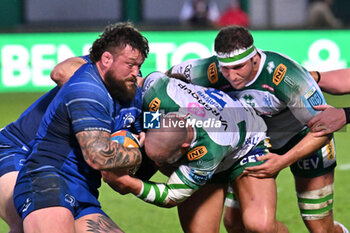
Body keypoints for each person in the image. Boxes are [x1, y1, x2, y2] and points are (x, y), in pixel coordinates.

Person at [168, 25, 347, 233]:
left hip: (305, 139)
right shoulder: (210, 70)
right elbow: (165, 81)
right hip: (256, 145)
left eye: (239, 67)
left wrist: (282, 161)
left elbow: (324, 128)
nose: (231, 76)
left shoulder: (288, 77)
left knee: (320, 229)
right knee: (236, 224)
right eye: (225, 68)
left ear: (254, 58)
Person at [102, 71, 289, 233]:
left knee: (260, 226)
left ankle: (236, 186)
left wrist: (129, 183)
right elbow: (137, 86)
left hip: (246, 147)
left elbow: (172, 195)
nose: (158, 166)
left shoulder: (209, 147)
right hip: (211, 138)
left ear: (185, 148)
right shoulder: (159, 91)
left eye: (162, 162)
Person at [13, 22, 149, 233]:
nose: (136, 72)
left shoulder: (131, 94)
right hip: (47, 181)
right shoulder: (87, 88)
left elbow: (147, 135)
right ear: (106, 59)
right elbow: (99, 156)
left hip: (84, 192)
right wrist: (137, 154)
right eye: (130, 64)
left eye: (139, 65)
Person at [0, 55, 90, 233]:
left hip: (54, 165)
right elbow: (60, 72)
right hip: (14, 148)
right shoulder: (94, 69)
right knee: (28, 219)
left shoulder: (136, 91)